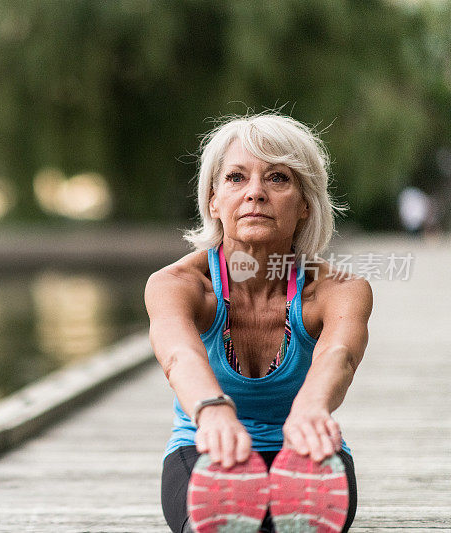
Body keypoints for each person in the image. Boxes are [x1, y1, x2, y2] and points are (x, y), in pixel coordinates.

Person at [145, 113, 373, 533]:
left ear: (306, 204)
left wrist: (308, 410)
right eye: (236, 178)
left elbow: (338, 357)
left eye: (277, 178)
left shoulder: (338, 290)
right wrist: (212, 413)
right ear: (213, 199)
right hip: (205, 447)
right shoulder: (176, 284)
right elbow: (178, 355)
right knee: (223, 519)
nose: (255, 193)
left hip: (306, 448)